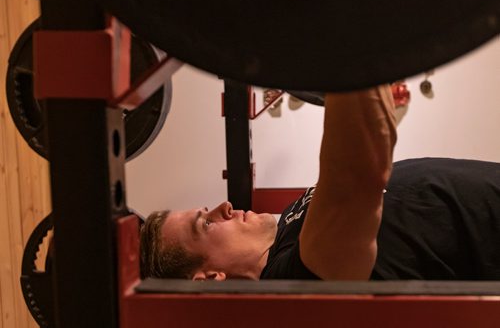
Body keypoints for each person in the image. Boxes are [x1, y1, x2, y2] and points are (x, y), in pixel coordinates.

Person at [140, 85, 500, 281]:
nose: (224, 207)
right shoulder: (297, 284)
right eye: (205, 224)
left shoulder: (284, 236)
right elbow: (360, 173)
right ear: (211, 277)